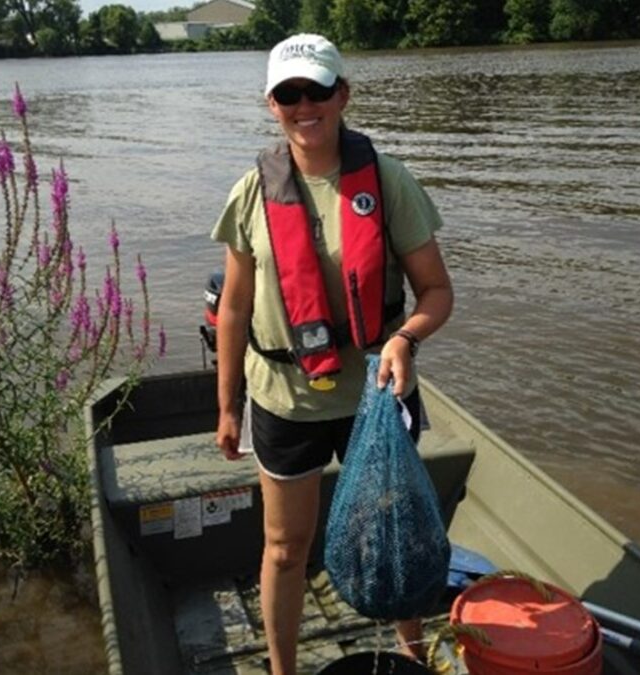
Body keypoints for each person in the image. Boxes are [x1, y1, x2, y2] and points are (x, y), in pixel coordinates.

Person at [212, 33, 453, 675]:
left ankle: (410, 651)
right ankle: (283, 670)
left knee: (394, 534)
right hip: (283, 398)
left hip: (377, 396)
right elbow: (233, 308)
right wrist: (227, 405)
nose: (304, 104)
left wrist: (404, 339)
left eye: (317, 90)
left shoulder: (389, 181)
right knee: (286, 548)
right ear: (271, 104)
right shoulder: (251, 194)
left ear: (343, 95)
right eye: (289, 94)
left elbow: (436, 291)